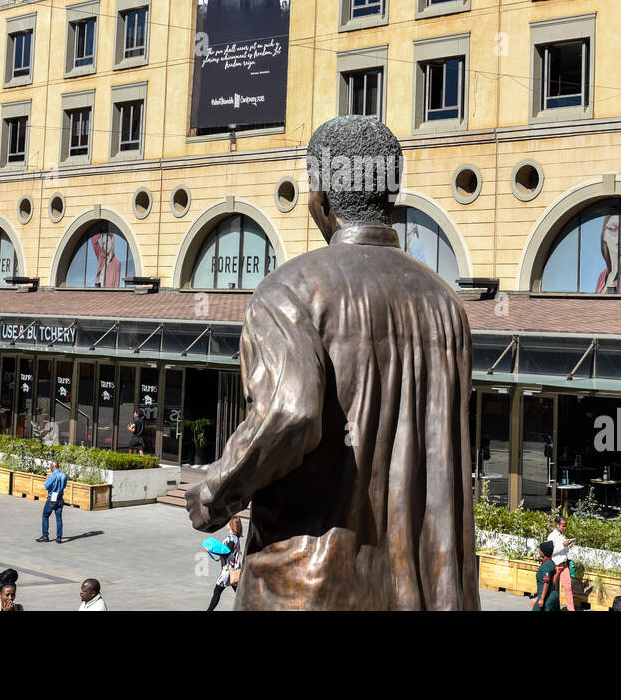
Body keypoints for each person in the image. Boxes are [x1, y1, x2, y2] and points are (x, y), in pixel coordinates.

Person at [186, 116, 479, 610]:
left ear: (320, 198)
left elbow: (289, 414)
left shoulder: (290, 290)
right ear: (391, 195)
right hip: (425, 591)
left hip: (309, 587)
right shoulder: (446, 304)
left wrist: (217, 491)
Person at [207, 515, 245, 611]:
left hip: (228, 570)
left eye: (228, 522)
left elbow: (226, 552)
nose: (226, 524)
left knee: (217, 591)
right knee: (239, 593)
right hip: (234, 569)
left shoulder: (231, 538)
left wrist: (211, 550)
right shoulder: (235, 538)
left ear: (231, 525)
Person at [547, 515, 577, 611]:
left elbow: (564, 551)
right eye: (563, 526)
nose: (564, 528)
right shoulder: (552, 536)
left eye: (565, 526)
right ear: (557, 525)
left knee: (568, 588)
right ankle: (545, 606)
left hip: (564, 565)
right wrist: (562, 545)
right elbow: (550, 551)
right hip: (556, 565)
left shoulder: (562, 536)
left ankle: (571, 609)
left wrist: (568, 545)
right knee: (549, 587)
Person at [37, 461, 67, 544]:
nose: (50, 469)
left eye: (51, 467)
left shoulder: (52, 476)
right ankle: (59, 538)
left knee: (45, 516)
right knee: (59, 518)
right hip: (60, 498)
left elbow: (46, 486)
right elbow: (64, 486)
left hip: (52, 498)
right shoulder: (64, 475)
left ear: (53, 467)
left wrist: (46, 480)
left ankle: (45, 536)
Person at [532, 540, 560, 611]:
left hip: (547, 597)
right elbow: (552, 581)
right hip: (550, 594)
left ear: (544, 552)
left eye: (540, 550)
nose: (539, 551)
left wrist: (542, 599)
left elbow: (546, 583)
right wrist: (537, 591)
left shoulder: (547, 566)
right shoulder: (550, 562)